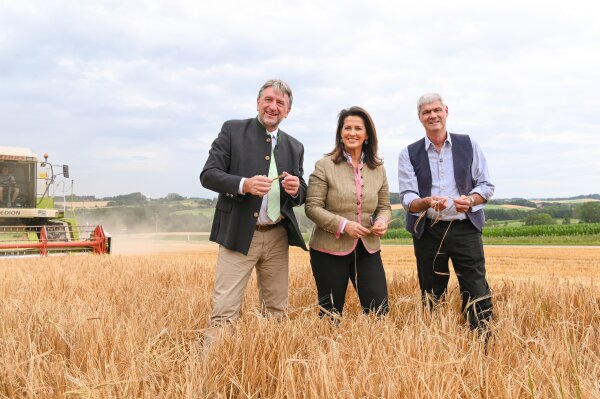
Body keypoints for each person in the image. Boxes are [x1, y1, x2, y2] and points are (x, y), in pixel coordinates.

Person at [200, 79, 307, 345]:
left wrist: (295, 189)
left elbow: (302, 192)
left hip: (277, 235)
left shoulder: (295, 146)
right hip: (239, 233)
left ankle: (271, 370)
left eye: (280, 103)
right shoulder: (232, 130)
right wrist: (243, 185)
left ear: (288, 111)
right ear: (258, 102)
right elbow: (208, 175)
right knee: (225, 312)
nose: (273, 107)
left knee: (276, 312)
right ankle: (211, 373)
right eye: (268, 100)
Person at [398, 93, 495, 330]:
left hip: (465, 228)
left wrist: (471, 200)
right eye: (426, 112)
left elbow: (486, 186)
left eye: (436, 110)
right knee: (431, 293)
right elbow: (407, 198)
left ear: (446, 111)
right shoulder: (408, 153)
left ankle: (482, 342)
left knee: (476, 288)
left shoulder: (469, 144)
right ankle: (435, 342)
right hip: (428, 230)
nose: (432, 115)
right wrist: (427, 202)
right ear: (420, 118)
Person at [305, 106, 391, 318]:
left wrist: (382, 220)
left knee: (378, 312)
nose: (352, 132)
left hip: (367, 249)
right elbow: (312, 207)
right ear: (340, 134)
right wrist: (344, 225)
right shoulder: (324, 166)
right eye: (347, 128)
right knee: (330, 315)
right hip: (328, 250)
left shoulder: (378, 169)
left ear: (367, 134)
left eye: (358, 128)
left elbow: (385, 206)